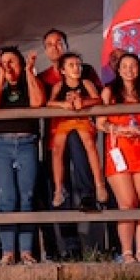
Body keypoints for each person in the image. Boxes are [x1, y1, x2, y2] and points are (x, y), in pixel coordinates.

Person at [97, 51, 140, 263]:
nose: (129, 70)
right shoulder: (109, 92)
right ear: (118, 69)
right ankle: (126, 251)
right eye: (124, 66)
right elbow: (100, 122)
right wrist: (119, 128)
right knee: (127, 202)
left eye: (133, 65)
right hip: (119, 150)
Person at [0, 45, 46, 266]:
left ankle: (27, 251)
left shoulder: (30, 81)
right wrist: (1, 74)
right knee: (5, 198)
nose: (8, 66)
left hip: (27, 141)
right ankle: (8, 251)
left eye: (13, 62)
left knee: (27, 197)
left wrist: (30, 72)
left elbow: (38, 103)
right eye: (4, 61)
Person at [44, 51, 108, 210]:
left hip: (82, 119)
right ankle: (58, 189)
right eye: (71, 65)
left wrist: (83, 102)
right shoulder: (59, 86)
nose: (76, 68)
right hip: (64, 121)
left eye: (78, 65)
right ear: (63, 70)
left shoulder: (86, 83)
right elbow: (49, 103)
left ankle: (99, 184)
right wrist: (63, 105)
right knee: (57, 150)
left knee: (89, 145)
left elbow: (98, 98)